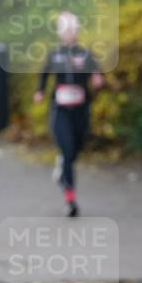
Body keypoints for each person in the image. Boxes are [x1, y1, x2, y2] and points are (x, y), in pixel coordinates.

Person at [33, 11, 103, 217]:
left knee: (76, 149)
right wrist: (40, 91)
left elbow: (96, 71)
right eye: (66, 31)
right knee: (67, 150)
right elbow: (44, 74)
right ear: (61, 34)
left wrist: (98, 78)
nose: (70, 34)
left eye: (73, 30)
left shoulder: (85, 53)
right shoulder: (55, 55)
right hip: (61, 110)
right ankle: (70, 201)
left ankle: (63, 165)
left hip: (81, 110)